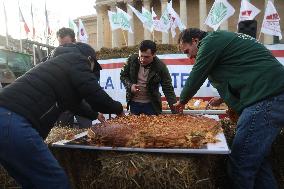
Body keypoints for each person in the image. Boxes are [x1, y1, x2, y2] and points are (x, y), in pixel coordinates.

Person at [0, 42, 123, 188]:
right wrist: (117, 108)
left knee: (32, 183)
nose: (92, 72)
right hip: (12, 121)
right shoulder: (77, 59)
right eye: (93, 68)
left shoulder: (59, 66)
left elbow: (73, 104)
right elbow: (93, 92)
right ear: (89, 59)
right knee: (55, 182)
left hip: (6, 119)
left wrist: (95, 114)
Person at [174, 28, 284, 189]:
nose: (189, 56)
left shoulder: (210, 42)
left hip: (267, 98)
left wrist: (182, 100)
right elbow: (238, 74)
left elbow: (198, 73)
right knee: (257, 163)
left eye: (187, 51)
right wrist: (226, 99)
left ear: (196, 41)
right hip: (273, 96)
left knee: (240, 164)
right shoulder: (222, 40)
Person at [55, 27, 103, 128]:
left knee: (86, 130)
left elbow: (93, 78)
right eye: (61, 45)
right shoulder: (55, 57)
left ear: (74, 41)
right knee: (62, 131)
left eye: (67, 44)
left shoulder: (86, 53)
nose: (64, 48)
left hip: (83, 99)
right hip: (65, 100)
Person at [120, 40, 177, 115]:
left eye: (146, 57)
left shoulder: (160, 67)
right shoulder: (131, 60)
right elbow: (123, 75)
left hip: (152, 104)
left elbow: (168, 89)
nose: (142, 60)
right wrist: (130, 86)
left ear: (154, 54)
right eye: (141, 56)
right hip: (134, 103)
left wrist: (175, 111)